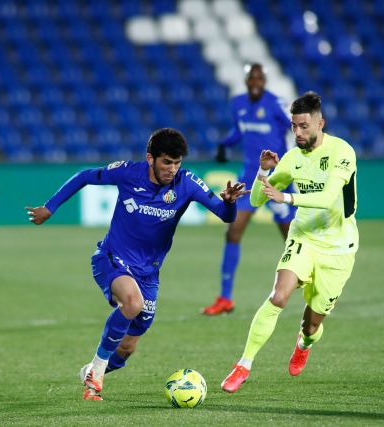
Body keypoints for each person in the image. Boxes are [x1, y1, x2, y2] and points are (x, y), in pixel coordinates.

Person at [26, 128, 248, 400]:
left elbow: (225, 216)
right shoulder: (128, 173)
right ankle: (95, 375)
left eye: (177, 163)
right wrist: (50, 207)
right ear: (150, 158)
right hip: (111, 258)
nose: (172, 169)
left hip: (148, 273)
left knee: (127, 348)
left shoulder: (187, 183)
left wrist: (230, 203)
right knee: (132, 303)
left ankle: (91, 369)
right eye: (167, 162)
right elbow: (85, 176)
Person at [220, 92, 359, 393]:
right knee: (278, 296)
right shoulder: (292, 159)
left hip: (338, 248)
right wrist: (264, 172)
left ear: (320, 123)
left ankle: (304, 342)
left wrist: (287, 197)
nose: (297, 133)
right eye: (294, 126)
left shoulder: (342, 152)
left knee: (312, 325)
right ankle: (243, 364)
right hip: (303, 238)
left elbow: (328, 198)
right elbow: (257, 199)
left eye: (304, 126)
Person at [202, 63, 297, 316]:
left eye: (259, 77)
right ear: (246, 81)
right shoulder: (238, 104)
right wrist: (225, 144)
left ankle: (316, 287)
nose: (255, 81)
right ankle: (225, 298)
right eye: (251, 78)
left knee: (293, 240)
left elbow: (295, 128)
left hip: (278, 178)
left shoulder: (277, 103)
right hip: (249, 178)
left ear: (264, 81)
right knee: (233, 232)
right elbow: (240, 130)